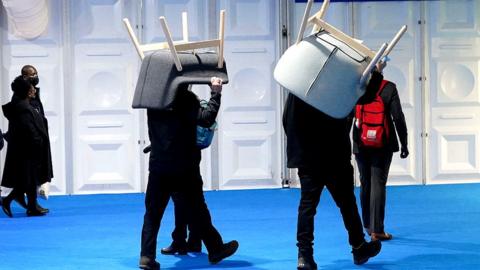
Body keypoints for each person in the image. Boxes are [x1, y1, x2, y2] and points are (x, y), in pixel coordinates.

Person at [283, 65, 386, 270]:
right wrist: (376, 74)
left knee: (308, 207)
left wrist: (300, 151)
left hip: (310, 160)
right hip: (335, 158)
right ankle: (358, 247)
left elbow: (288, 121)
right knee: (347, 204)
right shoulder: (336, 87)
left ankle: (304, 256)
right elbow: (365, 97)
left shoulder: (300, 90)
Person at [139, 77, 238, 270]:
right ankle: (215, 248)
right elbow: (207, 118)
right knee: (198, 209)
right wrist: (216, 93)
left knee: (152, 214)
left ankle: (146, 256)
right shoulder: (187, 99)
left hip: (159, 166)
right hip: (185, 167)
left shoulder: (152, 101)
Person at [352, 62, 409, 242]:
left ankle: (368, 225)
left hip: (360, 142)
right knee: (378, 183)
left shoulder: (356, 87)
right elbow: (398, 117)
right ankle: (378, 230)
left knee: (365, 182)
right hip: (382, 142)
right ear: (380, 68)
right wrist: (404, 143)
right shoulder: (389, 88)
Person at [4, 65, 52, 214]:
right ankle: (18, 201)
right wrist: (37, 139)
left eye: (36, 74)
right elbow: (25, 123)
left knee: (32, 176)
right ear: (25, 77)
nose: (35, 77)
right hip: (25, 145)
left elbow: (38, 115)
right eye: (32, 75)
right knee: (28, 177)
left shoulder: (33, 93)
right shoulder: (20, 98)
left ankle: (29, 204)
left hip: (34, 142)